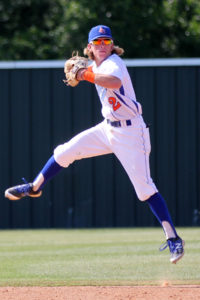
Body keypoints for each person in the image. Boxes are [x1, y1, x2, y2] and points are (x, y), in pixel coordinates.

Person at [5, 25, 184, 264]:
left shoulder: (114, 63)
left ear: (112, 44)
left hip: (132, 133)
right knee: (65, 151)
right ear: (89, 47)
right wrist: (82, 72)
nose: (102, 45)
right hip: (108, 127)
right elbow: (84, 71)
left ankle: (174, 239)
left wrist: (83, 75)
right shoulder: (94, 66)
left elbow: (111, 81)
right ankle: (35, 187)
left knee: (144, 189)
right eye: (97, 42)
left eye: (106, 41)